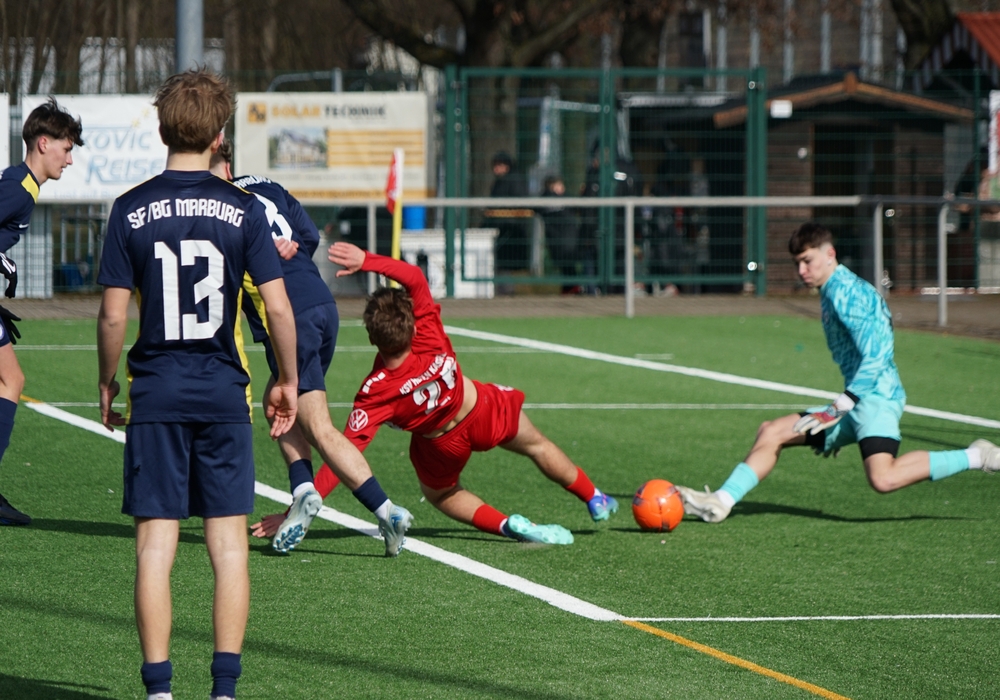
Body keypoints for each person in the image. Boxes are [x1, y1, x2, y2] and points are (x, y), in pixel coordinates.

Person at [96, 69, 299, 700]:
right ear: (219, 136)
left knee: (155, 548)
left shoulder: (129, 208)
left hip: (156, 392)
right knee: (228, 547)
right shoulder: (242, 208)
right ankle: (223, 690)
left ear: (162, 131)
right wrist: (288, 378)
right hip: (221, 393)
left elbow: (112, 316)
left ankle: (159, 690)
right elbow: (278, 307)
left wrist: (107, 381)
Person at [254, 242, 619, 546]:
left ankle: (507, 525)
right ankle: (594, 497)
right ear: (412, 326)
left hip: (441, 445)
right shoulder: (428, 329)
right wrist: (367, 260)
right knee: (537, 445)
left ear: (372, 338)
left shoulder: (375, 390)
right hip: (481, 407)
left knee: (442, 494)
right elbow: (414, 277)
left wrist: (292, 512)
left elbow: (342, 457)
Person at [676, 222, 1000, 523]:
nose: (802, 271)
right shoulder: (834, 289)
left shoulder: (847, 294)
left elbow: (878, 356)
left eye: (807, 261)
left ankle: (978, 456)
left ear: (829, 254)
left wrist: (838, 408)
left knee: (883, 478)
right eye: (797, 263)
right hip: (856, 400)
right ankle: (721, 501)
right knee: (772, 431)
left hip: (875, 399)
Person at [207, 142, 412, 556]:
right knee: (279, 402)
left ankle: (385, 510)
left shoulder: (219, 207)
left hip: (289, 315)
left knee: (316, 425)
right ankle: (303, 491)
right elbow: (310, 235)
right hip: (321, 302)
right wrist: (288, 251)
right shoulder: (267, 185)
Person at [0, 98, 83, 526]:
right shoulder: (17, 188)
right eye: (66, 149)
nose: (69, 159)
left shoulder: (21, 186)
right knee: (10, 380)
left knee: (10, 379)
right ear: (43, 143)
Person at [540, 175, 580, 294]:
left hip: (561, 239)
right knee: (567, 266)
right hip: (565, 239)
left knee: (567, 266)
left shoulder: (545, 200)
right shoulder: (560, 199)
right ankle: (571, 289)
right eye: (559, 185)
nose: (562, 188)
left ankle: (570, 289)